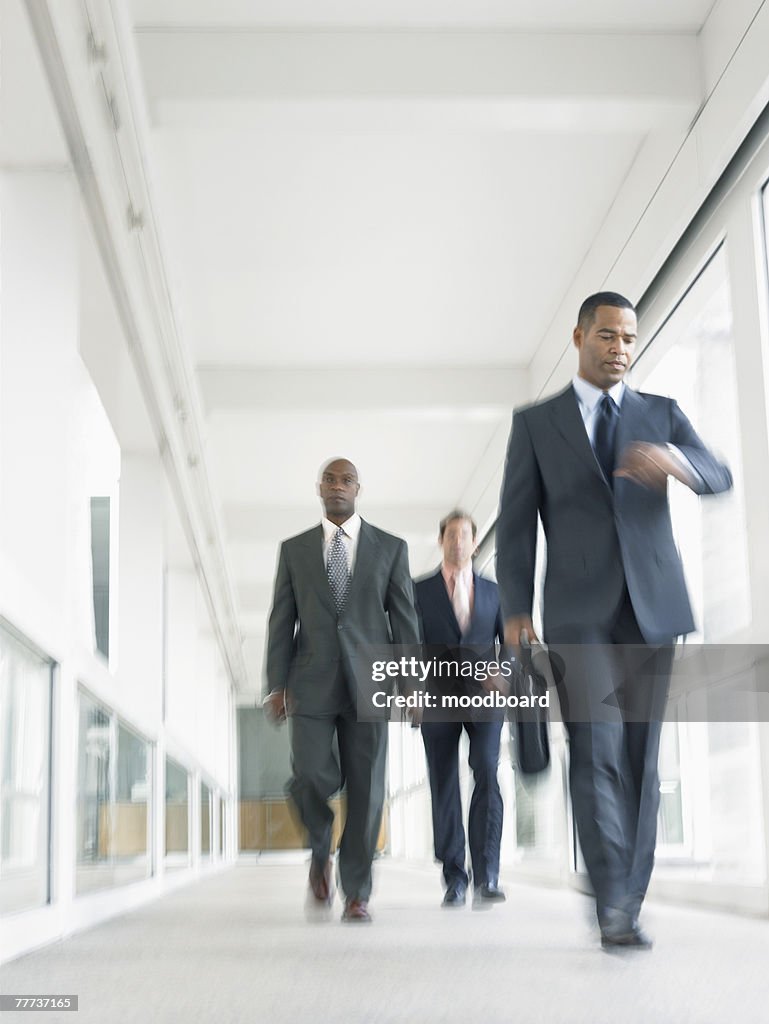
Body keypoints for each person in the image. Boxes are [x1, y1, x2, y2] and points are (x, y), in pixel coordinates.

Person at [495, 291, 732, 949]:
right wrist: (515, 611)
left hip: (651, 611)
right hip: (575, 613)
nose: (619, 349)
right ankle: (612, 907)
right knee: (594, 748)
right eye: (606, 336)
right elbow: (515, 528)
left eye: (628, 338)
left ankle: (628, 892)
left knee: (639, 759)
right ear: (578, 338)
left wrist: (675, 463)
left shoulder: (661, 414)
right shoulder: (536, 424)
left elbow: (719, 473)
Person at [264, 457, 420, 923]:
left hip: (371, 685)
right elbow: (280, 621)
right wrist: (276, 684)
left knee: (368, 790)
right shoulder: (294, 550)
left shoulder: (390, 548)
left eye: (346, 480)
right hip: (310, 682)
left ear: (358, 489)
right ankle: (320, 844)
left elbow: (406, 620)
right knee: (309, 772)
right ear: (318, 489)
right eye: (329, 480)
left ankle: (357, 891)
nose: (337, 486)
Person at [414, 510, 506, 909]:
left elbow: (513, 644)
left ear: (474, 542)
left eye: (465, 535)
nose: (458, 542)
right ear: (441, 541)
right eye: (451, 535)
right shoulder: (418, 592)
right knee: (444, 783)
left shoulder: (494, 592)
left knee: (486, 768)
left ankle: (487, 874)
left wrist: (504, 675)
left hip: (485, 699)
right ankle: (455, 876)